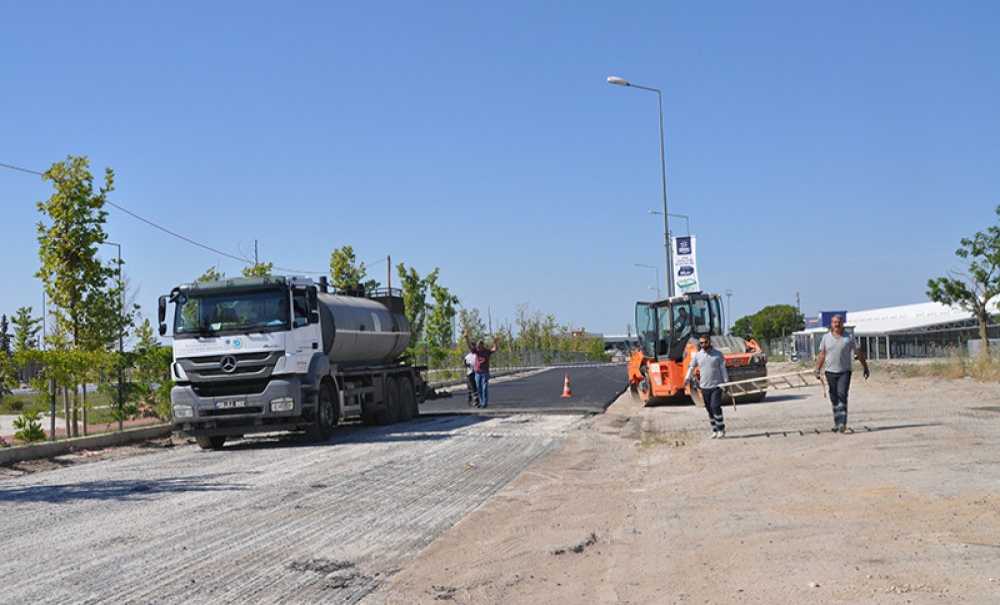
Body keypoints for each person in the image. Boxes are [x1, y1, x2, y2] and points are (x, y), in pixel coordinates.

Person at [814, 314, 870, 433]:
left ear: (842, 323)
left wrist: (865, 367)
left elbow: (858, 353)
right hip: (830, 372)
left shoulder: (849, 337)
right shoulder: (826, 338)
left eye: (839, 322)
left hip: (844, 371)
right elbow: (822, 354)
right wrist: (817, 369)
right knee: (834, 397)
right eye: (834, 322)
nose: (837, 324)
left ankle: (842, 423)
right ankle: (837, 422)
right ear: (831, 324)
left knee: (842, 394)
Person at [685, 334, 730, 439]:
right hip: (704, 387)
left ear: (709, 342)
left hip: (717, 386)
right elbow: (691, 367)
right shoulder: (698, 355)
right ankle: (715, 430)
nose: (703, 344)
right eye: (701, 343)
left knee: (715, 406)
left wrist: (726, 382)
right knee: (709, 409)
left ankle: (721, 429)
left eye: (705, 342)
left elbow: (723, 369)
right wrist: (687, 378)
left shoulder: (718, 354)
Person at [467, 337, 499, 408]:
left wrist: (495, 342)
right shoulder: (477, 351)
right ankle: (481, 402)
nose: (478, 348)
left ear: (482, 345)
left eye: (479, 346)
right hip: (477, 372)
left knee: (484, 388)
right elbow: (469, 346)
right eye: (477, 346)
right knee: (479, 388)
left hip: (485, 372)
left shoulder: (487, 351)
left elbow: (494, 349)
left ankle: (485, 403)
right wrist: (466, 337)